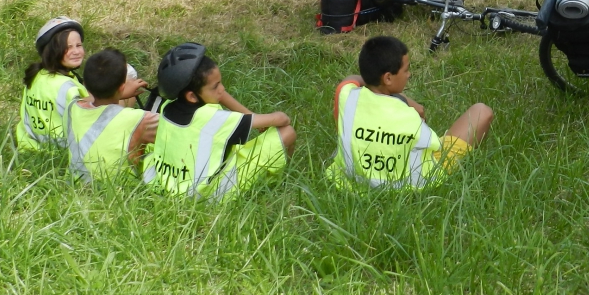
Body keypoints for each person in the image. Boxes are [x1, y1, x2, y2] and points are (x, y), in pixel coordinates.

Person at [327, 36, 494, 189]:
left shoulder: (347, 97)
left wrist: (389, 90)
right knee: (482, 112)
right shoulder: (409, 117)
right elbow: (433, 145)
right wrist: (405, 102)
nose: (409, 74)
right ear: (388, 78)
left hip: (351, 181)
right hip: (414, 185)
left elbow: (350, 79)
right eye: (406, 70)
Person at [145, 44, 296, 198]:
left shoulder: (167, 107)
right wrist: (266, 120)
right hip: (208, 195)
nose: (222, 89)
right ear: (191, 96)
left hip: (168, 184)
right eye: (216, 86)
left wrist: (250, 114)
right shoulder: (212, 118)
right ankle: (276, 183)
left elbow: (213, 94)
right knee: (287, 132)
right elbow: (281, 119)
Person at [65, 48, 158, 182]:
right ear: (122, 87)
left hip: (76, 183)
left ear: (84, 84)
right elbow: (175, 128)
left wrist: (120, 93)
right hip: (121, 189)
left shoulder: (72, 107)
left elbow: (85, 100)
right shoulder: (138, 120)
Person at [16, 16, 89, 152]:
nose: (76, 51)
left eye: (78, 45)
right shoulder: (68, 88)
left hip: (31, 145)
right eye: (67, 48)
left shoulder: (36, 75)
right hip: (64, 150)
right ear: (52, 51)